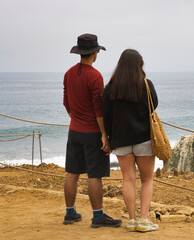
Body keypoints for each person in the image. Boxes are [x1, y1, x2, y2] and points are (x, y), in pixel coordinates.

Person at [63, 33, 122, 228]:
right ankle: (98, 217)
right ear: (95, 53)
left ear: (80, 53)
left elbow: (66, 103)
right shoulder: (95, 76)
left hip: (74, 131)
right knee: (94, 175)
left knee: (72, 173)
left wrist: (76, 119)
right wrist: (104, 134)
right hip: (92, 133)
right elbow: (99, 110)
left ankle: (70, 213)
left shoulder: (68, 73)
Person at [103, 49, 159, 232]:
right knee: (147, 179)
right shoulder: (146, 85)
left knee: (128, 179)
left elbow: (107, 116)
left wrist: (109, 138)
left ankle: (132, 220)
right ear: (139, 65)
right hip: (144, 139)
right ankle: (144, 220)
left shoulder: (111, 88)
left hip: (120, 141)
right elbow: (154, 104)